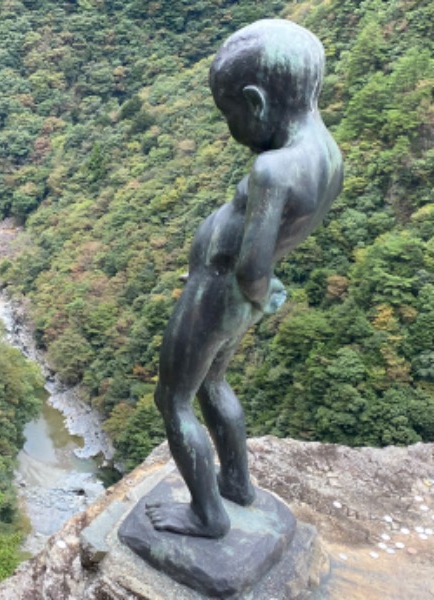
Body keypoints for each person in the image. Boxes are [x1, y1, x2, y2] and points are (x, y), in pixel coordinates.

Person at [146, 19, 343, 539]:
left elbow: (253, 265)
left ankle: (206, 515)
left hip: (215, 292)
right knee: (214, 383)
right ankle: (237, 485)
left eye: (229, 113)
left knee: (173, 399)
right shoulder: (327, 157)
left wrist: (257, 289)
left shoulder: (272, 171)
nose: (230, 126)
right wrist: (261, 297)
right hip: (240, 301)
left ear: (255, 103)